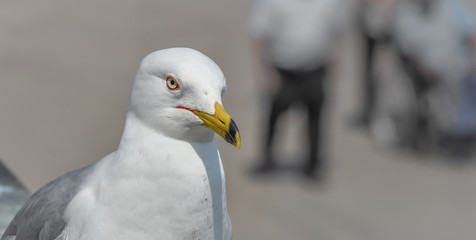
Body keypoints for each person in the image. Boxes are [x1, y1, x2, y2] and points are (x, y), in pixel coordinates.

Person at [248, 0, 346, 178]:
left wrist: (337, 60)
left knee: (316, 116)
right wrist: (262, 71)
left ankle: (313, 163)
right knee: (275, 113)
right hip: (283, 70)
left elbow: (337, 29)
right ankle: (267, 158)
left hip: (316, 69)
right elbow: (259, 33)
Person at [393, 0, 476, 155]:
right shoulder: (404, 13)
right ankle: (453, 131)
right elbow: (406, 51)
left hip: (457, 63)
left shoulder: (450, 7)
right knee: (451, 84)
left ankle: (464, 131)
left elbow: (470, 33)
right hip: (429, 69)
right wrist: (423, 69)